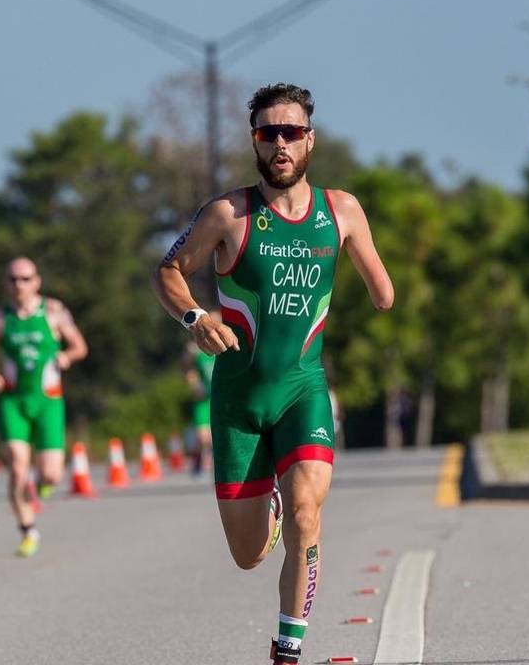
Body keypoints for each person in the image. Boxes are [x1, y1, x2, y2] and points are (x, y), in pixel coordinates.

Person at [151, 83, 394, 664]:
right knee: (248, 553)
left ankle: (289, 646)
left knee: (310, 511)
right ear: (255, 142)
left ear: (310, 139)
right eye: (268, 133)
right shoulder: (228, 214)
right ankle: (272, 516)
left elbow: (383, 294)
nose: (280, 144)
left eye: (291, 132)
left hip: (303, 389)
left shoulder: (341, 211)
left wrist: (359, 276)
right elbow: (168, 272)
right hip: (238, 400)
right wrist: (194, 316)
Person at [0, 257, 88, 557]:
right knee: (17, 466)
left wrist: (68, 356)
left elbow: (80, 346)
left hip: (48, 400)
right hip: (13, 400)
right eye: (13, 279)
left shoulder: (53, 312)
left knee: (52, 474)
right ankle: (27, 530)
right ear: (6, 283)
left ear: (37, 281)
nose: (19, 285)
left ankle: (40, 487)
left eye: (26, 279)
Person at [183, 333, 216, 475]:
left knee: (213, 437)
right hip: (203, 399)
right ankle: (198, 457)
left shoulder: (222, 349)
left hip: (217, 397)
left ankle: (211, 463)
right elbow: (189, 371)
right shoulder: (196, 351)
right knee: (203, 437)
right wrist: (194, 385)